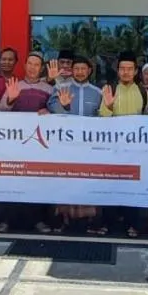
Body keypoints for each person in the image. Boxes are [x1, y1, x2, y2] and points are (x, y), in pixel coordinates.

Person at [0, 51, 54, 232]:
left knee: (37, 183)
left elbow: (57, 112)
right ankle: (7, 220)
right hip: (15, 144)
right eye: (30, 63)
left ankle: (38, 220)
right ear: (25, 65)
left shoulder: (49, 89)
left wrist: (49, 112)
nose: (33, 67)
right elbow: (1, 109)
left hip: (39, 145)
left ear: (41, 68)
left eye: (37, 64)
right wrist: (11, 99)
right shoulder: (15, 85)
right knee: (13, 181)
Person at [49, 53, 104, 234]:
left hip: (89, 147)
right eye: (77, 69)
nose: (80, 72)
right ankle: (64, 219)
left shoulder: (98, 93)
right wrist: (64, 107)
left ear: (89, 71)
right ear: (72, 70)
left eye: (83, 69)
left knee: (88, 182)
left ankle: (89, 220)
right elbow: (51, 109)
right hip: (65, 145)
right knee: (66, 181)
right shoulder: (61, 88)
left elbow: (103, 118)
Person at [99, 51, 148, 237]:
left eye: (130, 69)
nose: (126, 72)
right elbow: (102, 120)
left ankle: (133, 224)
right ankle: (107, 223)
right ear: (118, 71)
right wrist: (110, 107)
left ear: (136, 71)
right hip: (112, 149)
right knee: (110, 186)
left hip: (136, 150)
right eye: (122, 69)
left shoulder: (143, 92)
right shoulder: (110, 89)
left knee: (133, 187)